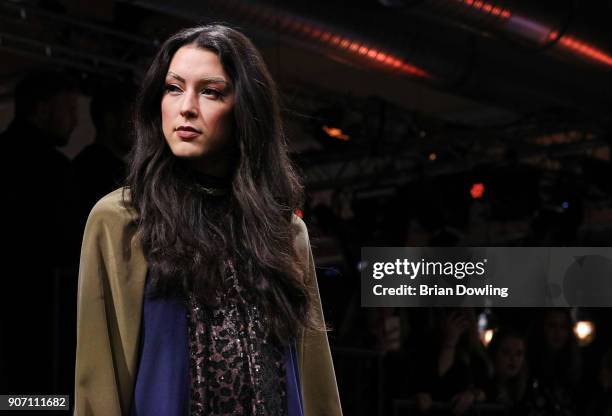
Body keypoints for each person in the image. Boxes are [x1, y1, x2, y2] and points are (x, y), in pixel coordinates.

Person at [74, 24, 342, 416]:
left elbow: (314, 372)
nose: (186, 107)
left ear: (245, 110)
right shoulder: (123, 220)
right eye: (173, 88)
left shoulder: (283, 230)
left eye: (211, 92)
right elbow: (97, 382)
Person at [0, 70, 80, 396]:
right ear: (43, 108)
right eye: (70, 109)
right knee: (38, 399)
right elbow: (69, 245)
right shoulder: (56, 171)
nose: (74, 121)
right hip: (40, 318)